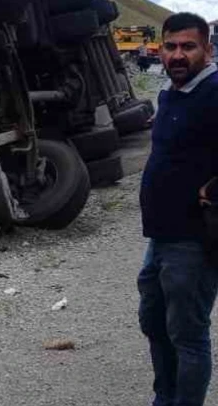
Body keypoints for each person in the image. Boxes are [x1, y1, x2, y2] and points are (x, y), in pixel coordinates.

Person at [139, 12, 218, 406]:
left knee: (187, 335)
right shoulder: (172, 91)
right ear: (160, 50)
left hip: (193, 239)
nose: (177, 55)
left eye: (188, 46)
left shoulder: (215, 92)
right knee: (154, 322)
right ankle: (164, 399)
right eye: (170, 46)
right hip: (160, 235)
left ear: (207, 49)